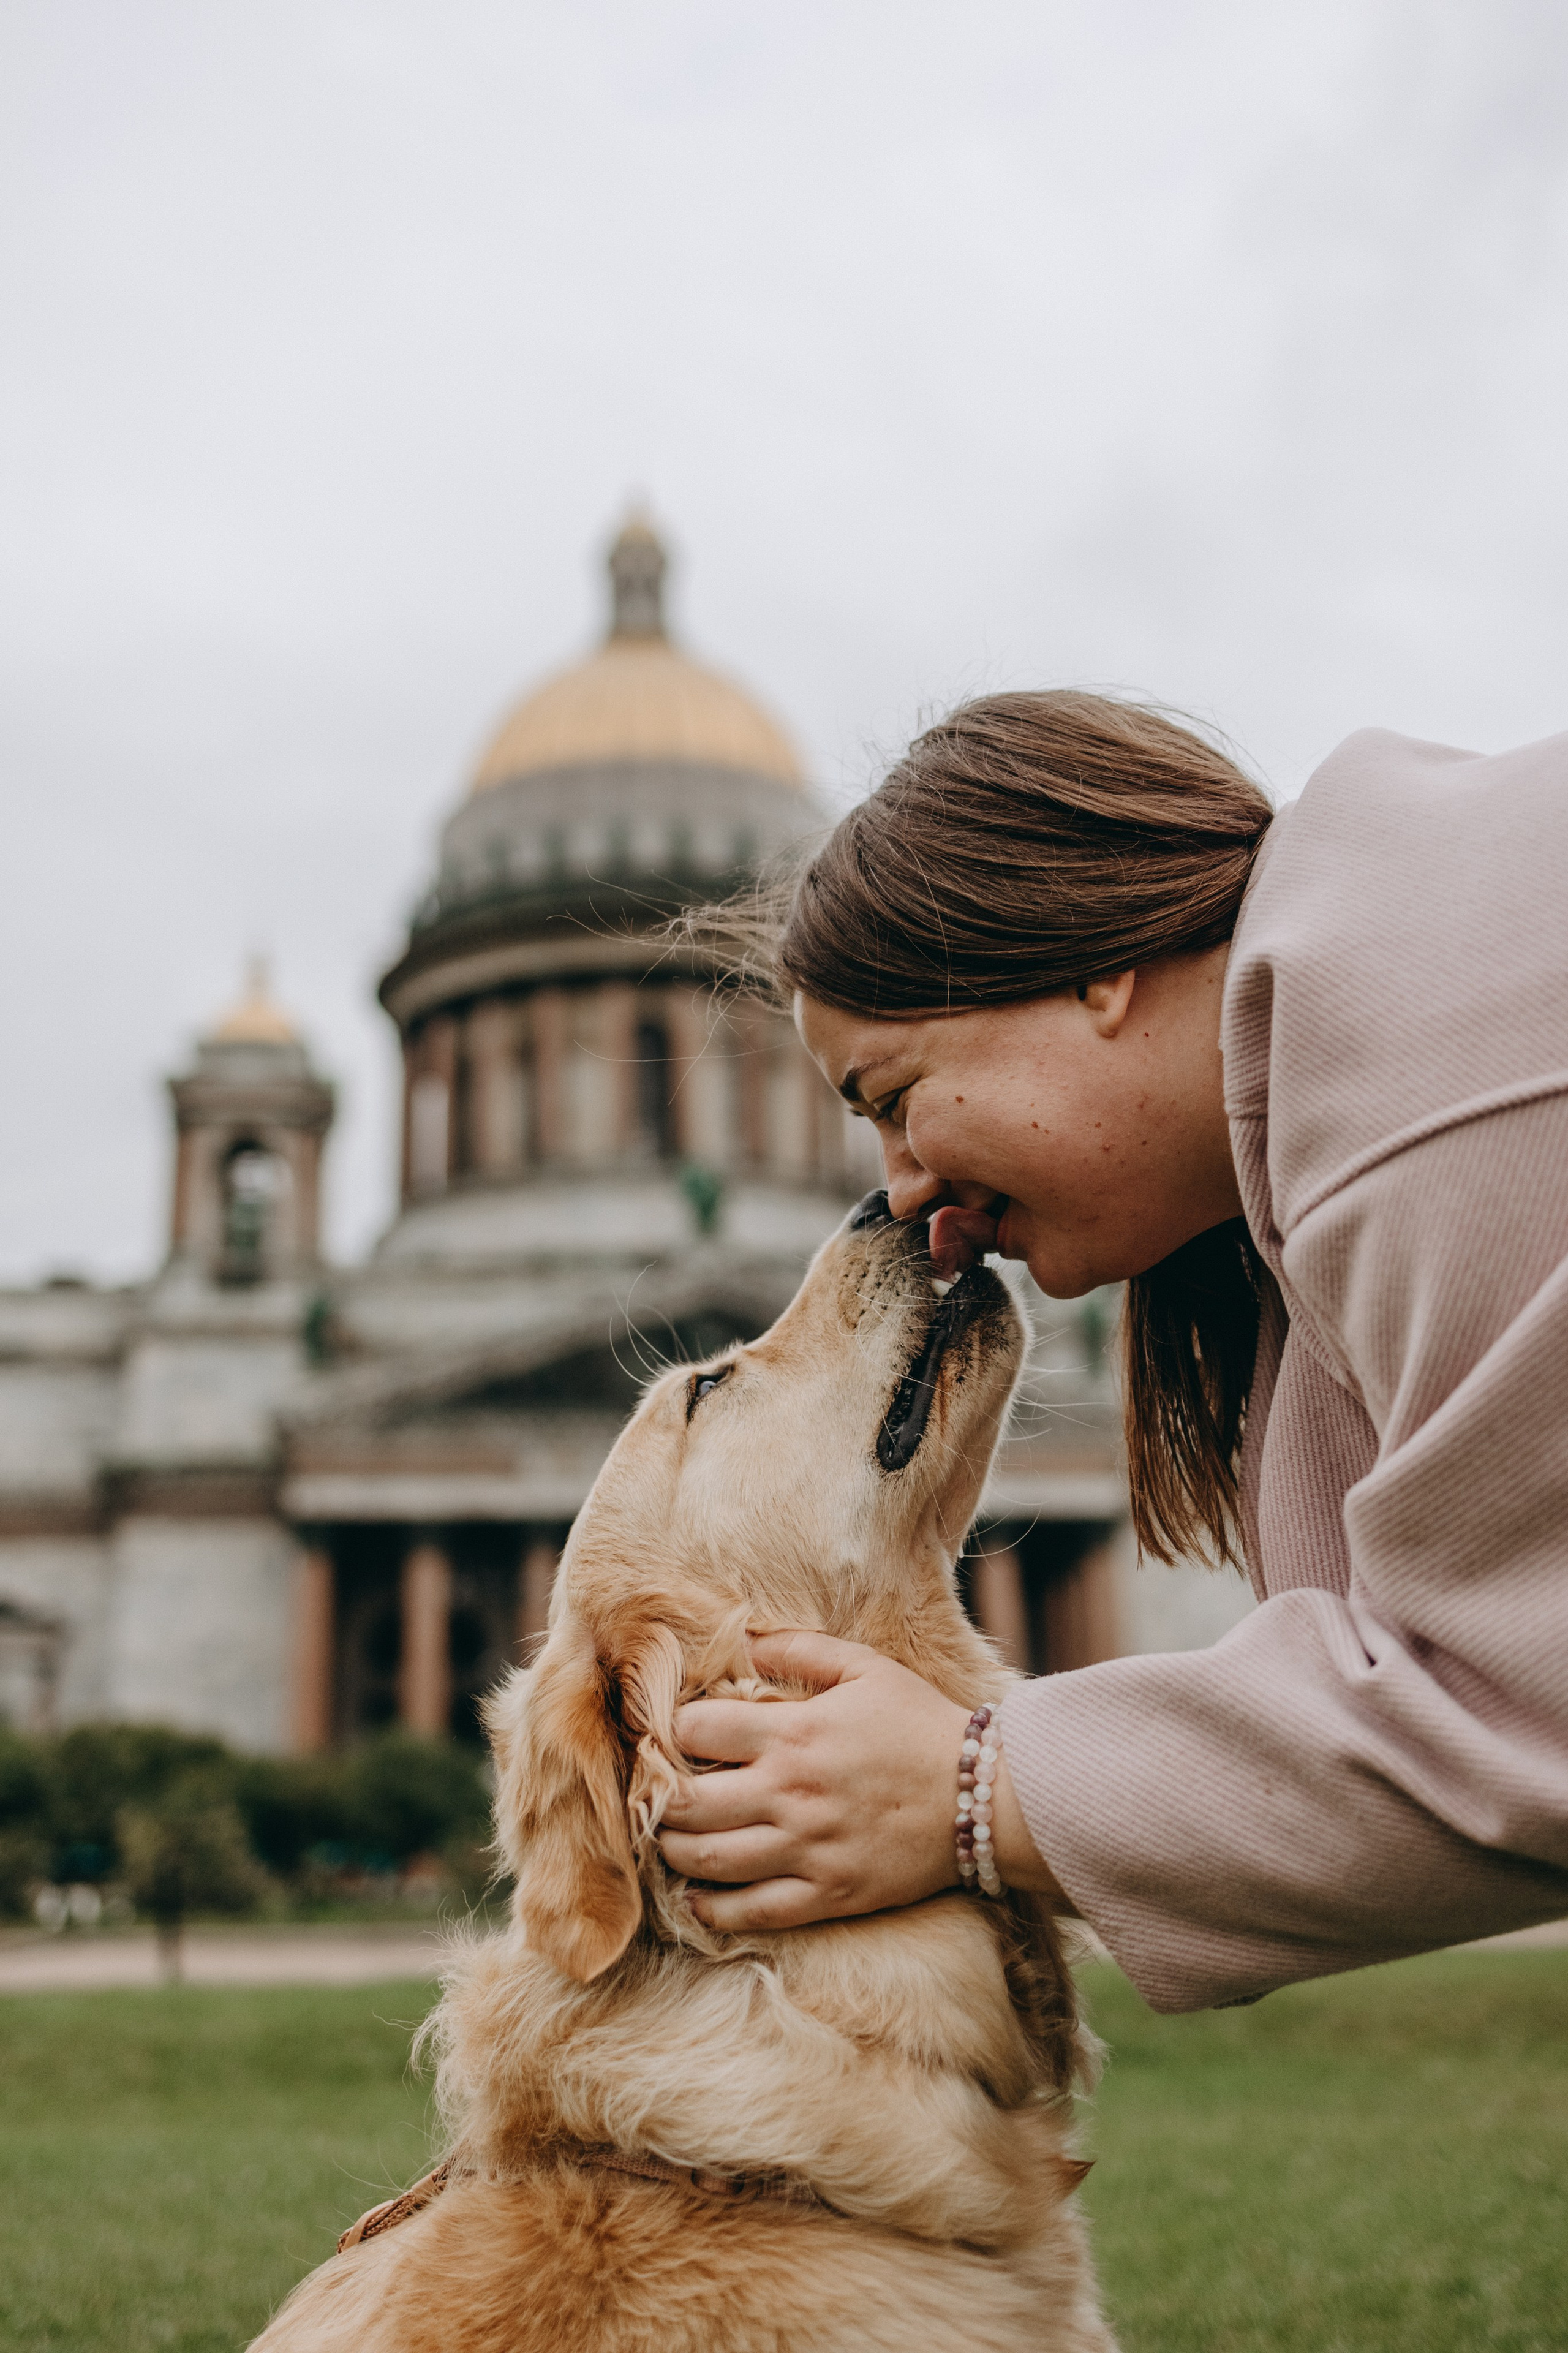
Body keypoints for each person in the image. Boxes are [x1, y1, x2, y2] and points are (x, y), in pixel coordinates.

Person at [657, 691, 1568, 2012]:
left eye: (895, 1099)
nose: (900, 1194)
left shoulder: (1428, 1109)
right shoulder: (1393, 1008)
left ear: (1094, 969)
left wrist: (966, 1790)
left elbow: (1520, 1710)